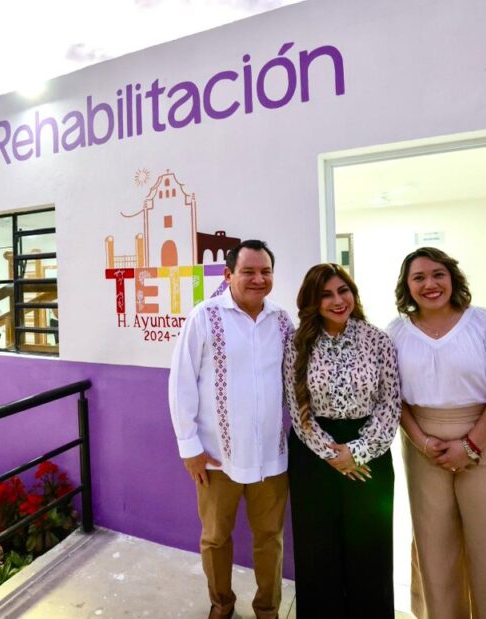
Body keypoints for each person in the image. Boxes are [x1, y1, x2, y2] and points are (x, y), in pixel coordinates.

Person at [388, 247, 486, 619]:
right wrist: (422, 442)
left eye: (438, 274)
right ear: (407, 286)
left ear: (452, 277)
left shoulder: (485, 324)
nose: (430, 284)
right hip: (424, 449)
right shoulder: (395, 333)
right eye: (419, 277)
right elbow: (392, 397)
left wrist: (471, 446)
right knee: (435, 547)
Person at [168, 239, 293, 619]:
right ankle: (221, 604)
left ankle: (268, 608)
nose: (258, 279)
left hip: (271, 457)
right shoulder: (204, 317)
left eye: (265, 271)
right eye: (248, 271)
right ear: (228, 274)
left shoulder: (282, 321)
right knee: (215, 538)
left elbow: (294, 381)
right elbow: (182, 382)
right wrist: (189, 447)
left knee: (270, 539)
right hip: (217, 457)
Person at [283, 263, 400, 617]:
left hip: (369, 454)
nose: (337, 300)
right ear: (312, 301)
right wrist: (333, 455)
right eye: (326, 295)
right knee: (318, 553)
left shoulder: (377, 340)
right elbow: (297, 408)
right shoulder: (297, 343)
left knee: (370, 551)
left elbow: (390, 404)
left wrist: (357, 452)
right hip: (313, 455)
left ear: (353, 293)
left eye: (343, 290)